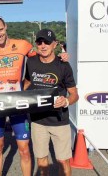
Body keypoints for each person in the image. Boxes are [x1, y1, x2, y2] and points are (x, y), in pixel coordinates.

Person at [0, 15, 36, 176]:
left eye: (0, 29)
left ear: (5, 26)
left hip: (18, 103)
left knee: (24, 148)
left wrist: (26, 85)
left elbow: (41, 63)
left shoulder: (23, 45)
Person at [24, 29, 79, 176]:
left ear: (54, 44)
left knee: (63, 161)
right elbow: (27, 82)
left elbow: (74, 94)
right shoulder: (31, 62)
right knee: (42, 161)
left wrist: (66, 101)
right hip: (38, 121)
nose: (43, 45)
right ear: (36, 45)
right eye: (40, 42)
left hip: (59, 121)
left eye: (47, 42)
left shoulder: (63, 65)